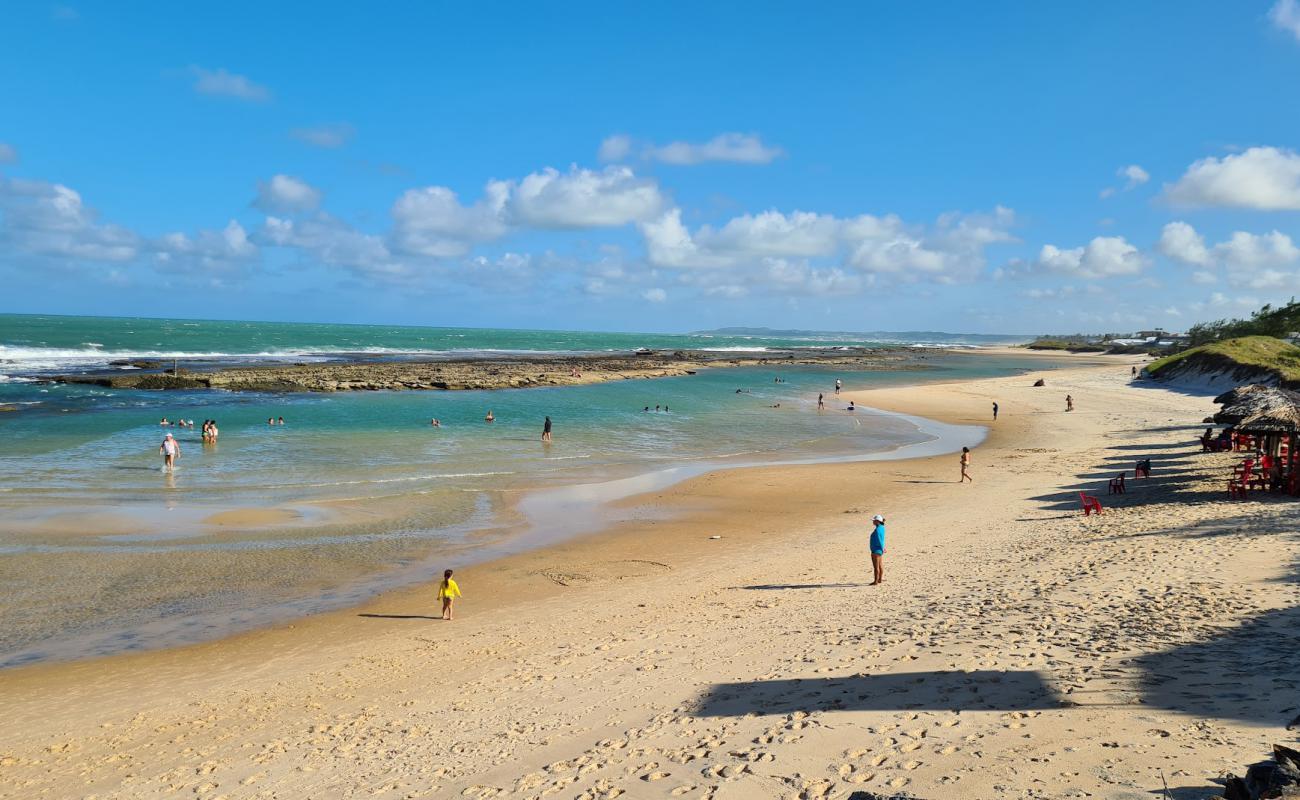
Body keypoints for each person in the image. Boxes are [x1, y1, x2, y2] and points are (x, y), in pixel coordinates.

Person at [869, 514, 886, 585]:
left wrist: (883, 548)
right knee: (880, 565)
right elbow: (881, 539)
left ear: (877, 521)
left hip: (876, 550)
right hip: (879, 549)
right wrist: (883, 548)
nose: (873, 522)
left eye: (874, 520)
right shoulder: (882, 527)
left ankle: (876, 581)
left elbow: (879, 540)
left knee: (876, 567)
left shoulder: (877, 530)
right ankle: (880, 579)